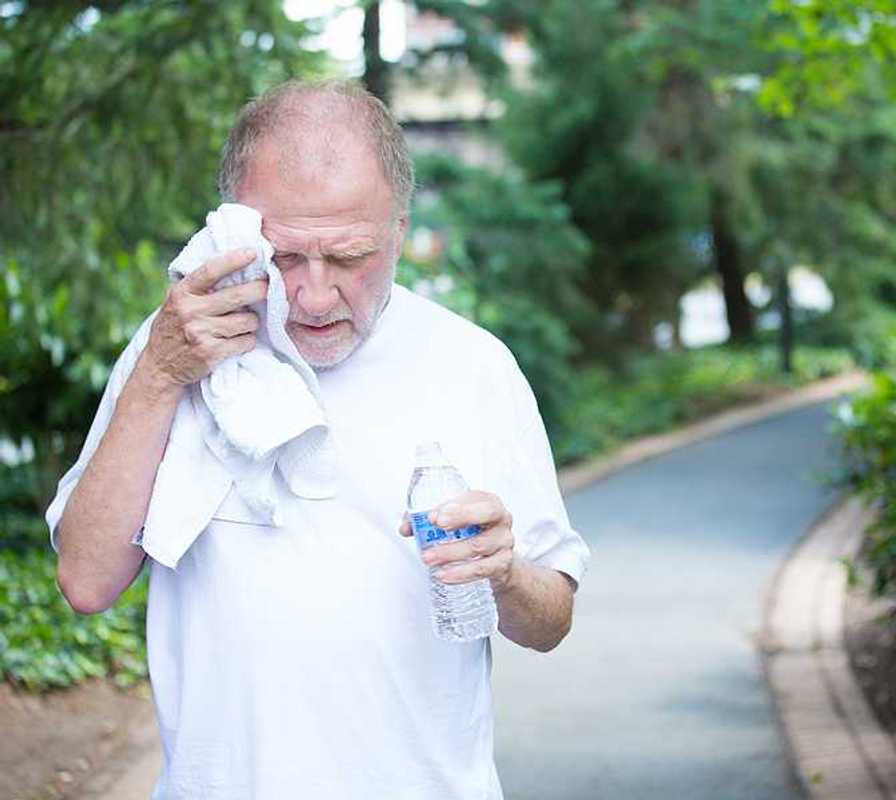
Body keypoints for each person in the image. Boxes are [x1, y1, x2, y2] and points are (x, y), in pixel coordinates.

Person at [44, 78, 590, 799]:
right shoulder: (177, 345)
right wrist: (161, 373)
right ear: (234, 229)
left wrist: (506, 571)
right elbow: (86, 580)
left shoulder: (473, 366)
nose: (313, 296)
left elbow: (550, 621)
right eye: (286, 258)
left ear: (399, 228)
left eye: (349, 257)